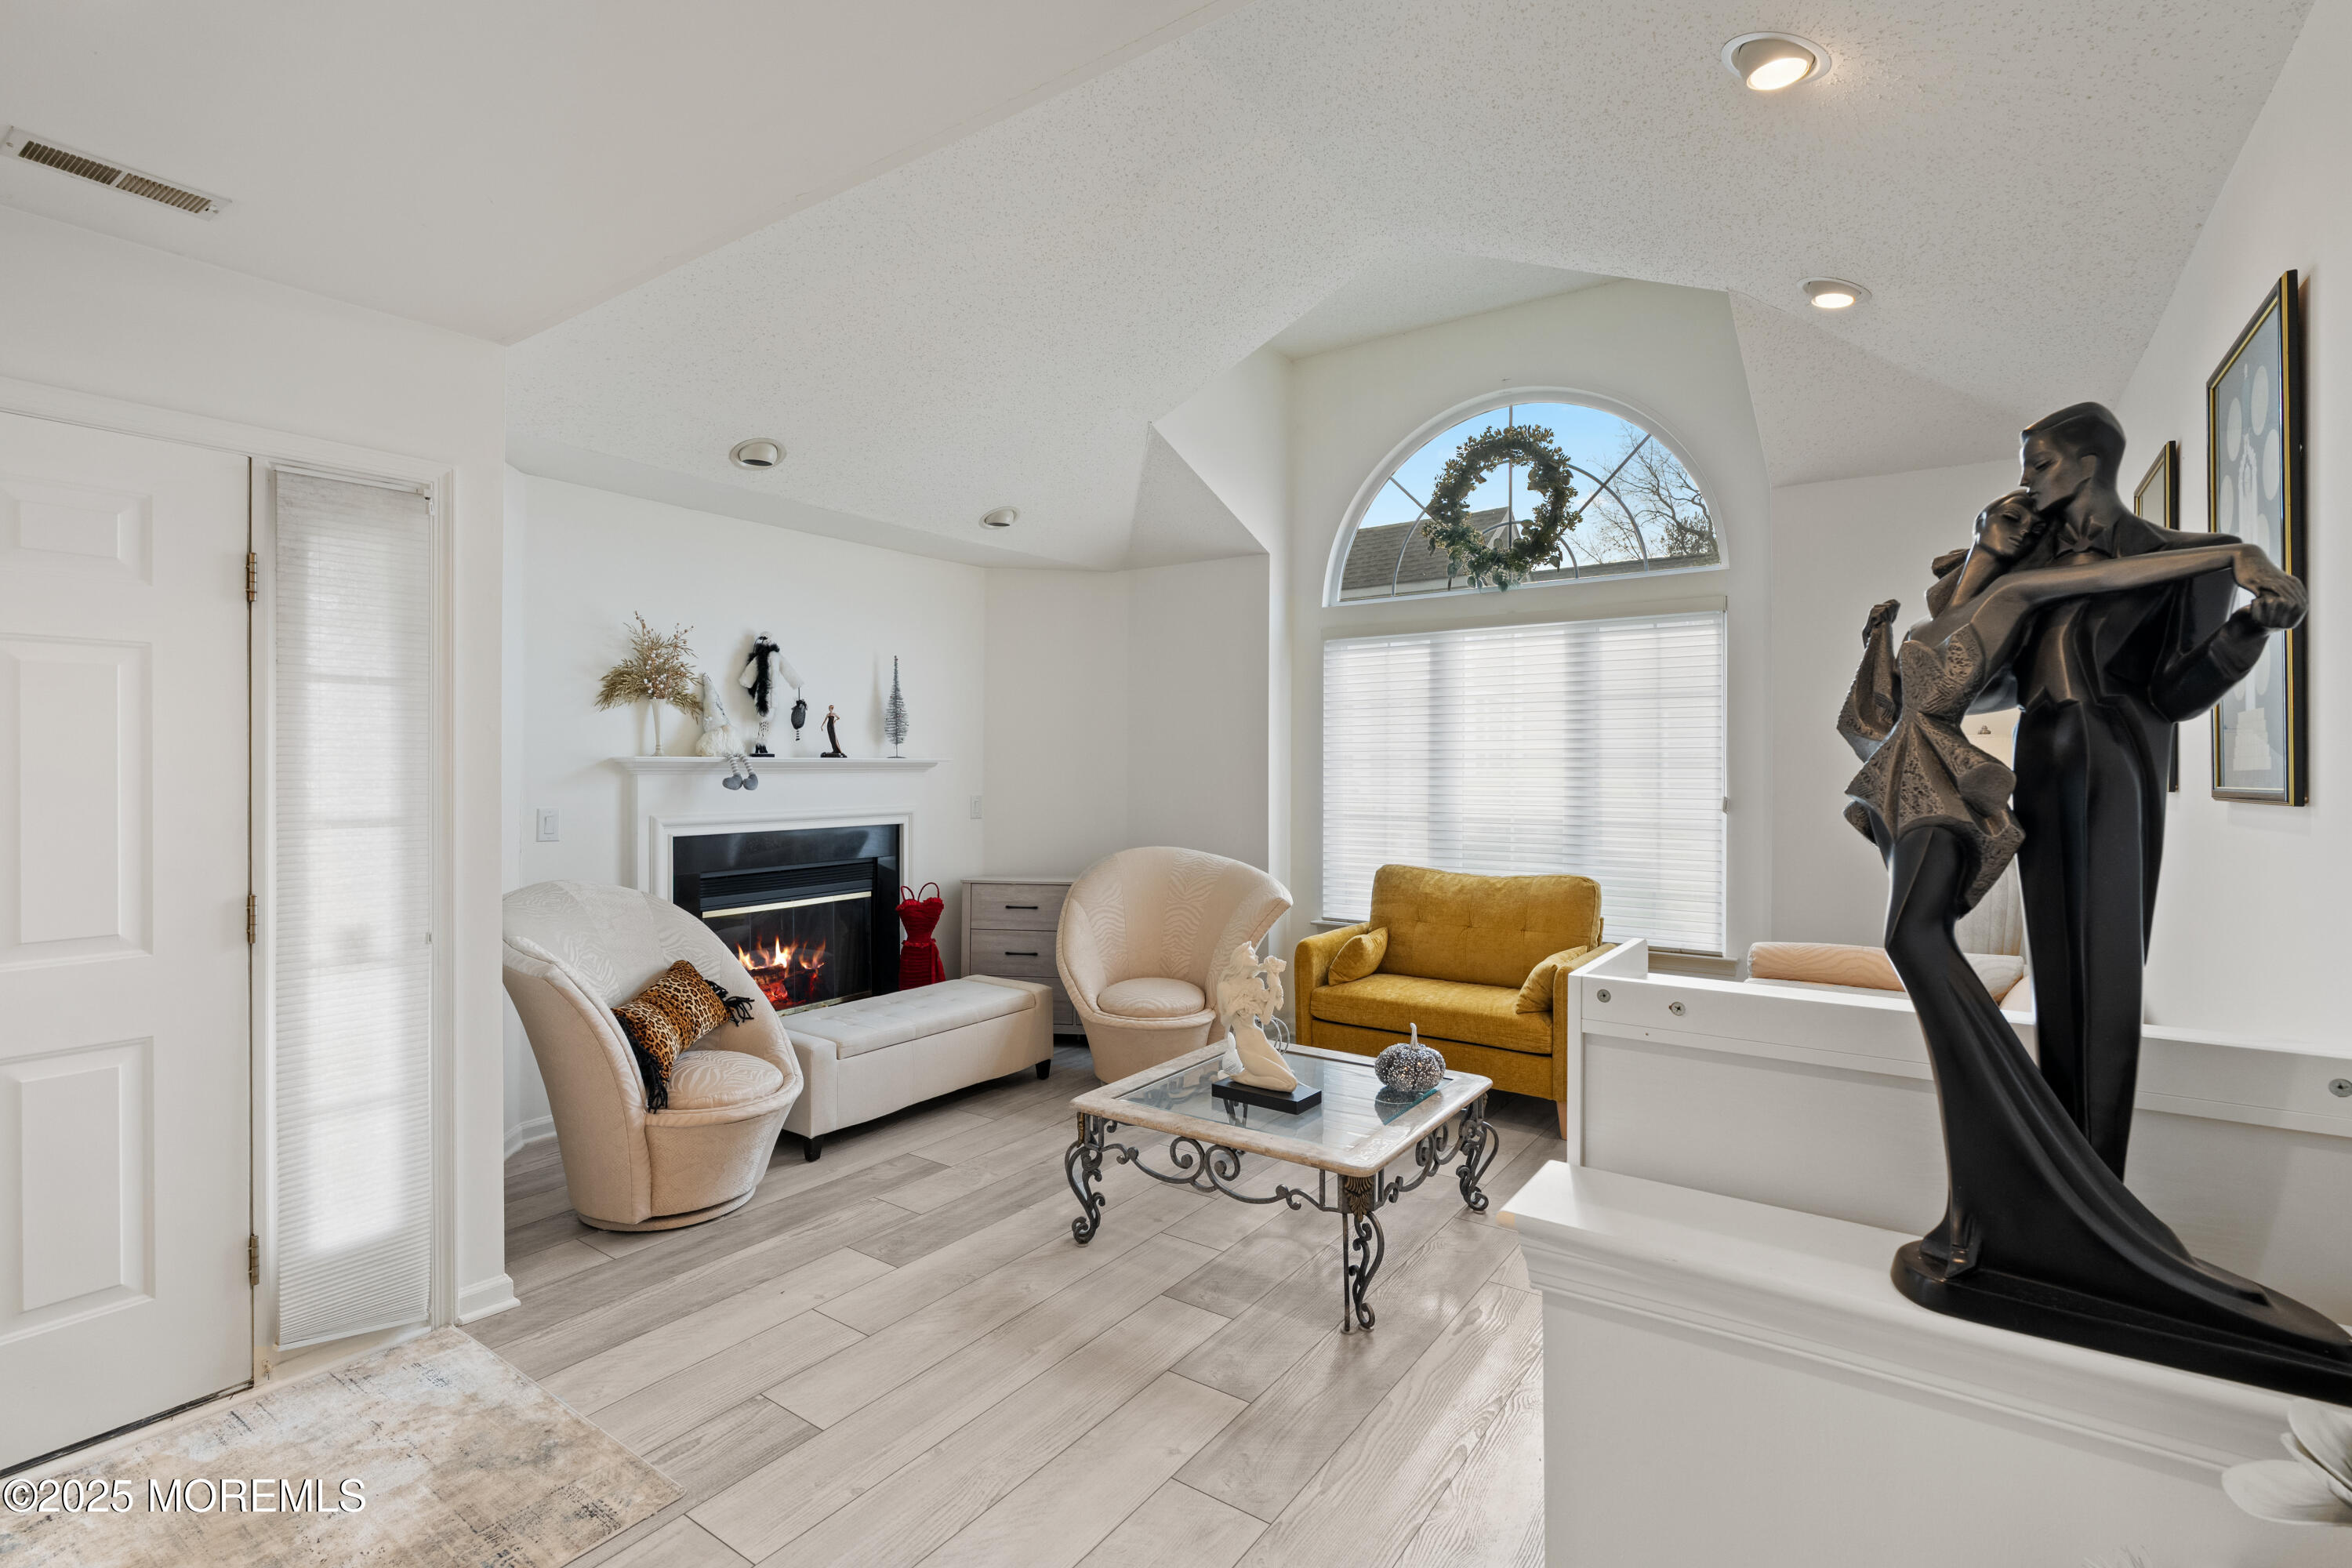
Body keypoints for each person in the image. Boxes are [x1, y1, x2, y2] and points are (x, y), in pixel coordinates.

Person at [1837, 492, 2342, 1377]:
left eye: (2002, 514)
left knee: (1916, 943)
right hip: (1908, 789)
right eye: (1988, 515)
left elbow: (2122, 573)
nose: (1990, 519)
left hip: (1947, 800)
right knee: (1914, 944)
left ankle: (2033, 1137)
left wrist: (2235, 555)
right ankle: (2010, 1172)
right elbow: (1868, 721)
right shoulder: (1959, 610)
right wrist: (1877, 637)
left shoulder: (2015, 597)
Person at [1999, 404, 2297, 1177]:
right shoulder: (2023, 557)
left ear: (2088, 464)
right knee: (2055, 966)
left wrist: (2249, 630)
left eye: (2041, 463)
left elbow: (2174, 690)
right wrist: (1983, 559)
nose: (2028, 480)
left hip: (2112, 756)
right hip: (2040, 755)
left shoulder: (2184, 560)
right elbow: (1986, 674)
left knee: (2105, 972)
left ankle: (2100, 1187)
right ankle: (2063, 1180)